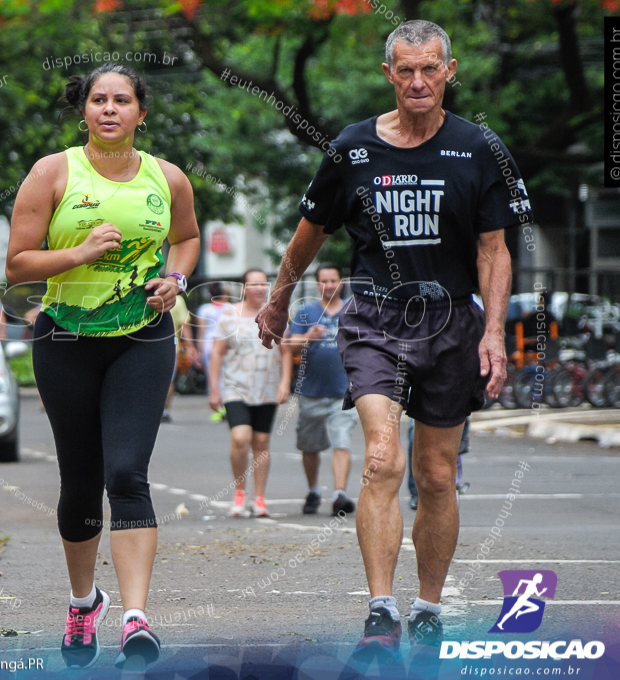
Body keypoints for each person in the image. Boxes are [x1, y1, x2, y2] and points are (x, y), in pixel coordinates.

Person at [256, 21, 526, 657]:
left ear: (449, 71)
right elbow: (310, 232)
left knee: (435, 474)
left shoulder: (478, 147)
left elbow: (495, 249)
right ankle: (381, 606)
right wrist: (277, 298)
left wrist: (493, 331)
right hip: (376, 319)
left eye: (430, 69)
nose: (418, 82)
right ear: (389, 75)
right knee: (383, 456)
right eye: (405, 70)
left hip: (454, 325)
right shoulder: (352, 149)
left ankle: (428, 604)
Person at [6, 63, 200, 669]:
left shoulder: (168, 179)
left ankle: (136, 617)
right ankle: (84, 600)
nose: (110, 109)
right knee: (81, 485)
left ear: (142, 113)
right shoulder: (52, 173)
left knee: (127, 473)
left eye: (122, 100)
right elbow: (16, 265)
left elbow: (188, 238)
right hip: (65, 338)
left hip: (143, 337)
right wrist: (80, 253)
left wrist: (176, 278)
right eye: (98, 100)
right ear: (84, 110)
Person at [209, 269, 291, 518]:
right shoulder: (229, 315)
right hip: (236, 387)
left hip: (266, 386)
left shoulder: (276, 314)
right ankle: (240, 492)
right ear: (244, 288)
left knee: (262, 442)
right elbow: (217, 352)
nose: (258, 288)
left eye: (262, 284)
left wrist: (285, 382)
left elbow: (285, 350)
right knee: (241, 438)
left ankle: (259, 498)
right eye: (253, 284)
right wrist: (214, 388)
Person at [286, 263, 358, 516]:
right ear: (318, 284)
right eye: (324, 281)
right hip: (311, 390)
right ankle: (314, 490)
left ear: (341, 282)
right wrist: (310, 337)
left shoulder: (353, 308)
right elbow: (290, 345)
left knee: (342, 441)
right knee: (310, 445)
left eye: (333, 280)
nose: (329, 285)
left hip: (344, 391)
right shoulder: (306, 311)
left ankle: (339, 494)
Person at [195, 282, 234, 420]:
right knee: (226, 375)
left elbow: (201, 331)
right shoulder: (230, 308)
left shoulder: (205, 309)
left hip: (209, 344)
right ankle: (227, 406)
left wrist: (198, 351)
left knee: (212, 376)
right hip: (226, 344)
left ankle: (218, 407)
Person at [161, 294, 197, 423]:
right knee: (167, 381)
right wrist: (190, 346)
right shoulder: (176, 299)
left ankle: (159, 410)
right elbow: (184, 325)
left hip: (158, 346)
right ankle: (164, 411)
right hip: (170, 346)